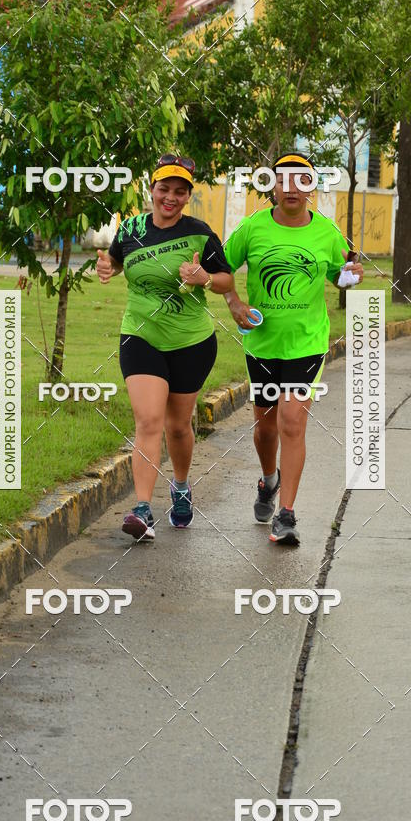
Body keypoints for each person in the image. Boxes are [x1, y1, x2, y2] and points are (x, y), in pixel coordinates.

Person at [223, 151, 364, 544]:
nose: (292, 188)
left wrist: (351, 276)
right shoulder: (251, 229)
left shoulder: (327, 233)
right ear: (273, 186)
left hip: (307, 342)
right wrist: (234, 302)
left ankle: (286, 514)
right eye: (283, 180)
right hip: (261, 343)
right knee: (265, 426)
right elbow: (220, 267)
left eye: (301, 181)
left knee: (291, 420)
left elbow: (341, 277)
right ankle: (269, 480)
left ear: (312, 188)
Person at [96, 154, 233, 541]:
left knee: (177, 426)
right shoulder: (132, 229)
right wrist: (108, 268)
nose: (170, 198)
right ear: (151, 190)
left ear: (187, 195)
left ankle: (182, 486)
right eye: (164, 189)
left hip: (191, 341)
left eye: (179, 191)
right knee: (149, 421)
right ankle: (142, 509)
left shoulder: (200, 233)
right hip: (141, 335)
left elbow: (225, 281)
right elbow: (117, 262)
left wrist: (204, 277)